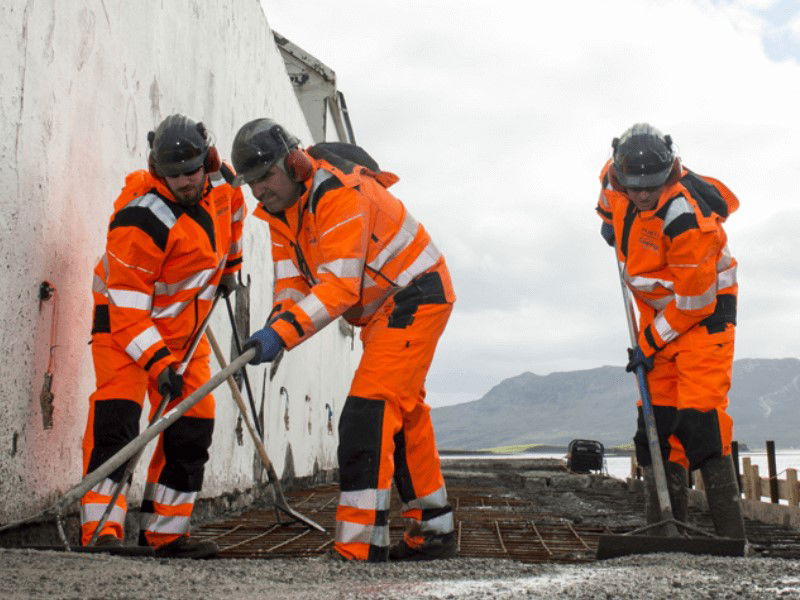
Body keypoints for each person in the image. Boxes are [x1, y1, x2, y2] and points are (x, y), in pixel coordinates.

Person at [230, 119, 456, 562]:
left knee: (366, 412)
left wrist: (284, 334)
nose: (258, 191)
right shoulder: (280, 212)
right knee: (403, 412)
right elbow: (292, 285)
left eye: (264, 178)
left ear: (293, 163)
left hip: (415, 294)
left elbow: (338, 287)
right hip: (381, 310)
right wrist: (273, 326)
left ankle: (359, 546)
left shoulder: (337, 194)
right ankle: (434, 531)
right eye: (251, 183)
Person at [80, 114, 246, 558]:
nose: (185, 183)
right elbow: (128, 310)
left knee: (193, 426)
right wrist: (158, 364)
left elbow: (234, 216)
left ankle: (166, 533)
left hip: (185, 334)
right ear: (158, 171)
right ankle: (101, 532)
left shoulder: (223, 184)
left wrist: (230, 268)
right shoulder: (140, 220)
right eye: (173, 176)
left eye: (191, 171)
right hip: (123, 332)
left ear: (206, 160)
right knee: (118, 424)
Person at [596, 122, 745, 538]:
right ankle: (664, 527)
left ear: (671, 172)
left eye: (652, 187)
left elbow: (695, 304)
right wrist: (608, 219)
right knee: (656, 423)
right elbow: (606, 193)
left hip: (703, 319)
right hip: (658, 314)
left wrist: (648, 342)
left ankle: (732, 537)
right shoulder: (615, 176)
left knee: (701, 423)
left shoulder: (685, 221)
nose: (642, 195)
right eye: (633, 187)